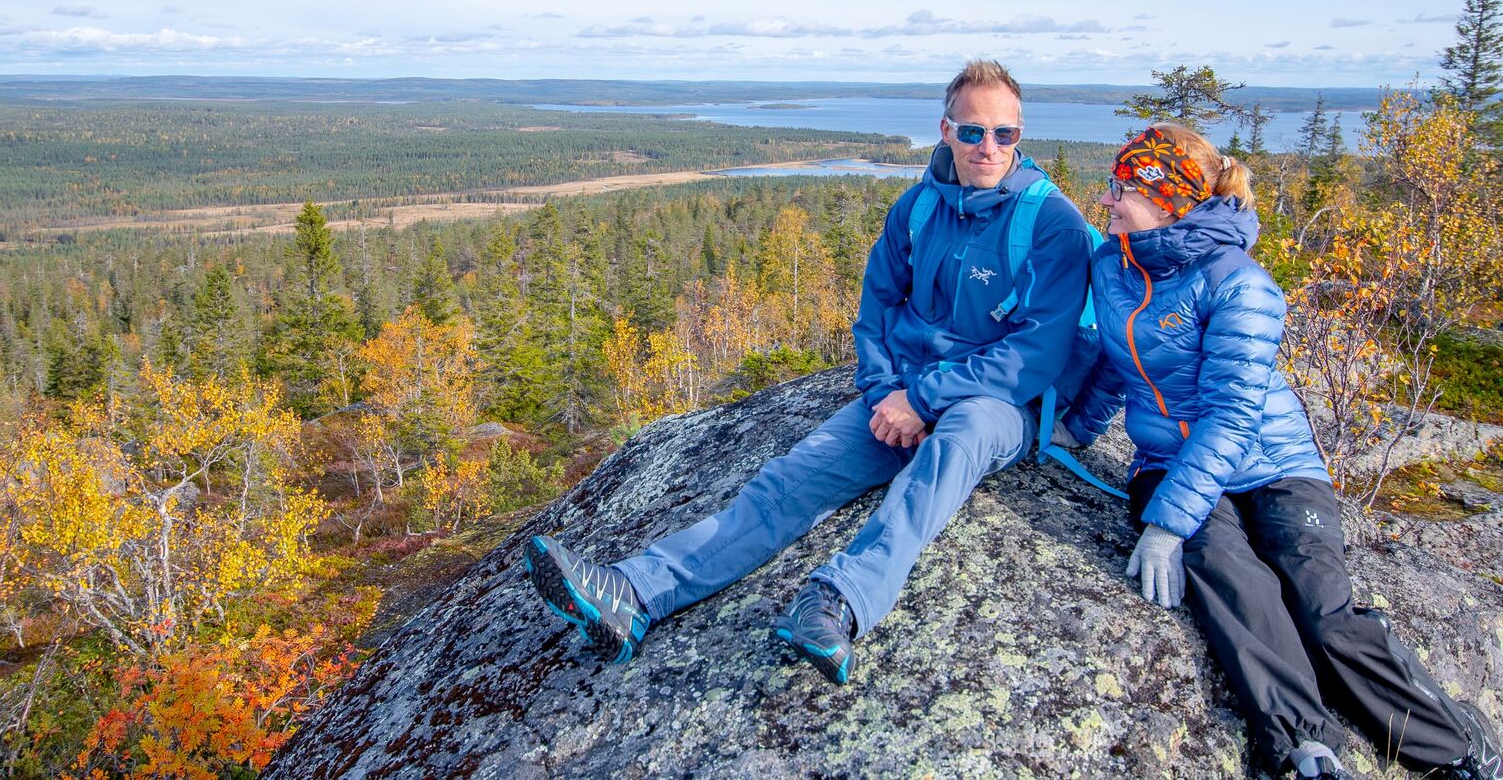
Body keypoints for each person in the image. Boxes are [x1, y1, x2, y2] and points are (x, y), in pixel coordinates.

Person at [522, 60, 1096, 684]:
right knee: (790, 479)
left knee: (952, 450)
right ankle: (633, 593)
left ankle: (837, 603)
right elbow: (877, 309)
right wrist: (884, 396)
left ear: (1019, 136)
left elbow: (1034, 355)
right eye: (973, 131)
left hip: (998, 402)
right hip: (906, 390)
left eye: (1005, 134)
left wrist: (923, 400)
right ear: (944, 129)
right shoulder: (918, 208)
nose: (989, 147)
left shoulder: (1051, 223)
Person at [1056, 123, 1502, 780]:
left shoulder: (1241, 283)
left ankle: (1459, 748)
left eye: (1123, 189)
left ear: (1168, 199)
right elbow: (1114, 364)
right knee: (1237, 587)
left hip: (1275, 464)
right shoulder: (1112, 264)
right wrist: (1077, 429)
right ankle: (1307, 747)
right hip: (1167, 463)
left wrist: (1167, 523)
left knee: (1322, 612)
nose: (1107, 201)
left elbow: (1233, 413)